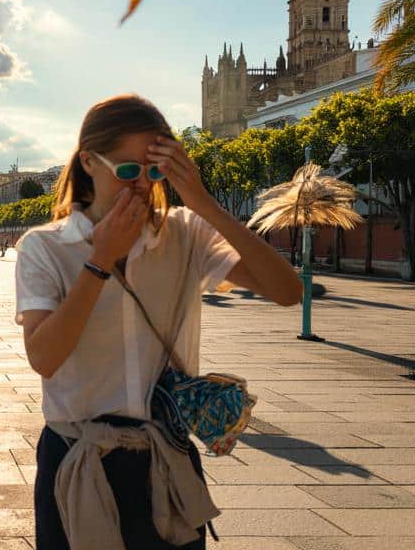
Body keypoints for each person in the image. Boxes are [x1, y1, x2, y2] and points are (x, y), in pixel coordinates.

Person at [15, 94, 301, 550]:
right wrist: (100, 261)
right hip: (78, 456)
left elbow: (288, 291)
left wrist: (203, 202)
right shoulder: (45, 248)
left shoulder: (185, 232)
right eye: (127, 170)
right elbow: (44, 356)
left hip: (165, 458)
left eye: (155, 170)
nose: (142, 183)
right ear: (89, 162)